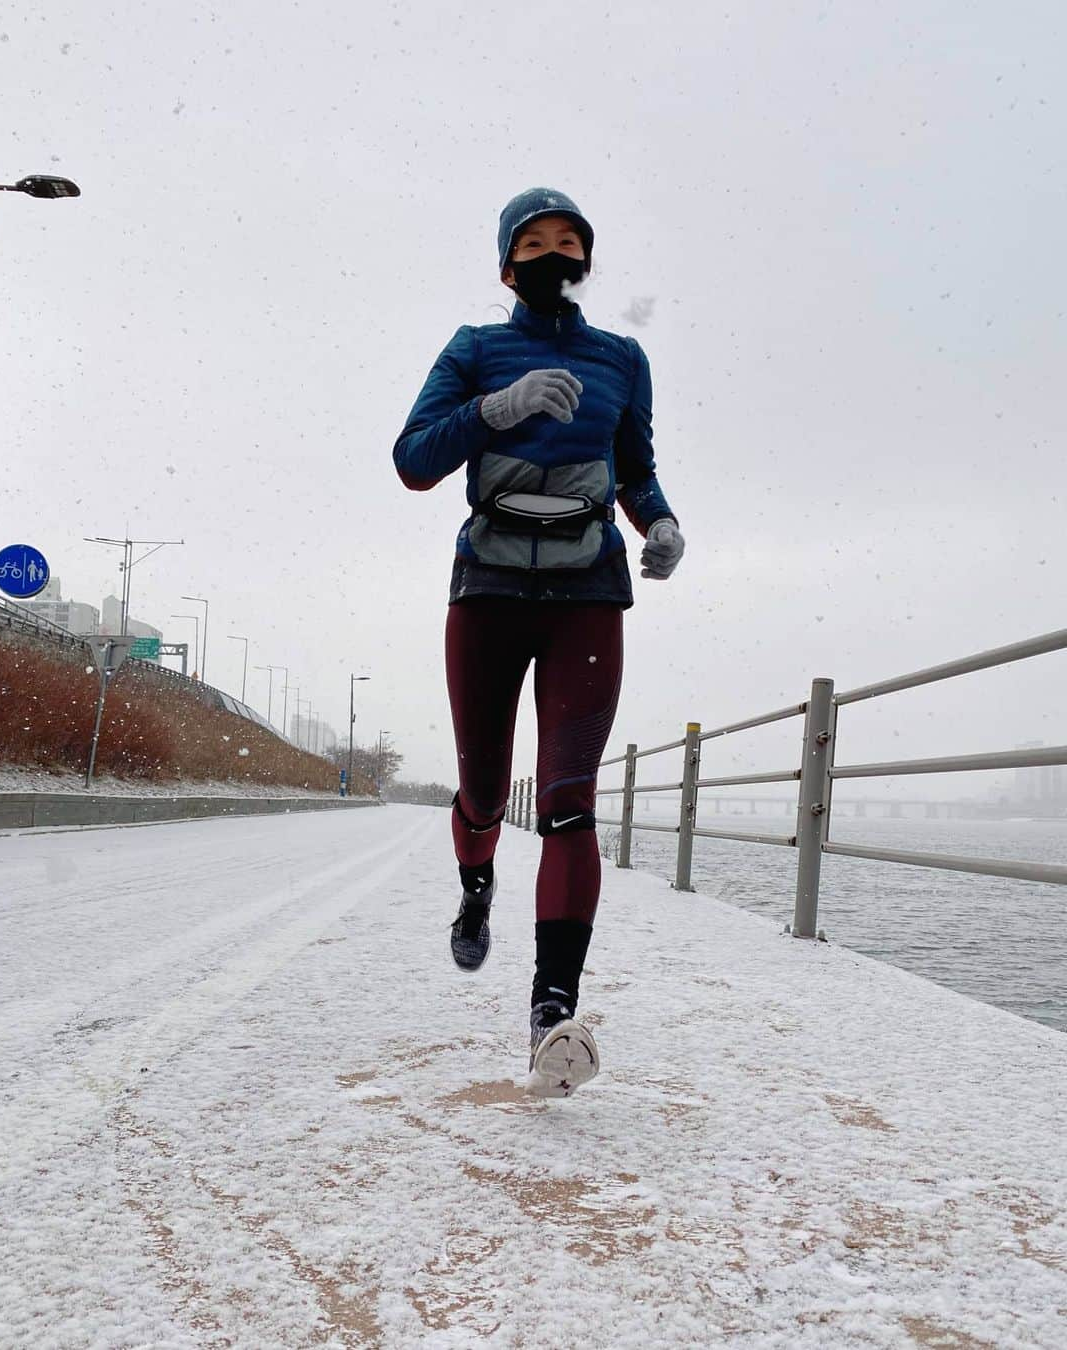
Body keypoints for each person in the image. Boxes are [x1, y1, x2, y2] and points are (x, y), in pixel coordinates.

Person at [393, 188, 684, 1096]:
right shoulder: (476, 349)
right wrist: (498, 409)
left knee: (568, 802)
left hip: (587, 592)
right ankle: (475, 887)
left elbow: (635, 468)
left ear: (586, 260)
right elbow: (413, 461)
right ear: (507, 263)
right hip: (487, 585)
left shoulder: (622, 358)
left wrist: (661, 523)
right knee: (484, 790)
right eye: (536, 240)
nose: (556, 252)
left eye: (571, 241)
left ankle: (551, 1013)